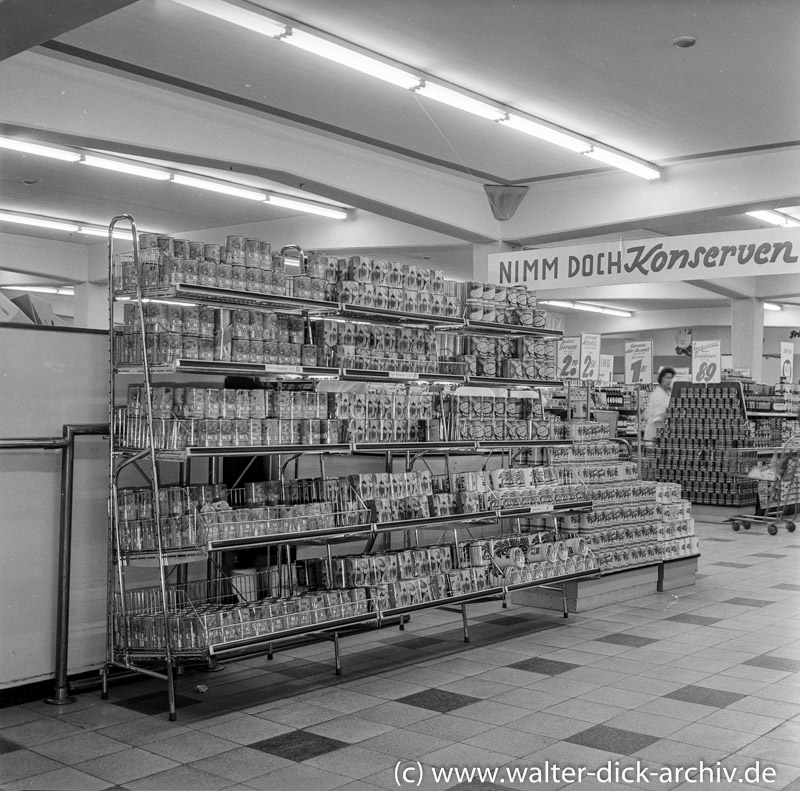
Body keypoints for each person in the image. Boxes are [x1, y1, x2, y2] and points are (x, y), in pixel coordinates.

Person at [643, 367, 675, 441]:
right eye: (667, 378)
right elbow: (657, 419)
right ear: (660, 378)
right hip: (655, 435)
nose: (669, 380)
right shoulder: (657, 395)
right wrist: (662, 435)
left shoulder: (667, 394)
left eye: (671, 378)